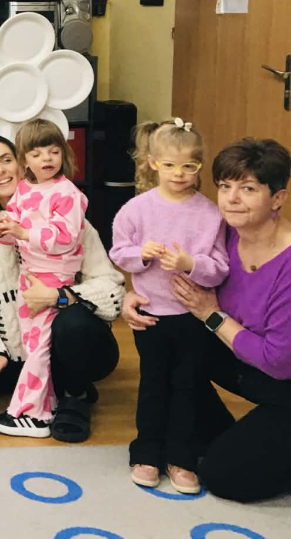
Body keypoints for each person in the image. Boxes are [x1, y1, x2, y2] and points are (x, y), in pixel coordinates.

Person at [124, 138, 291, 503]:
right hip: (243, 361)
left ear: (277, 198)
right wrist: (136, 294)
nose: (232, 199)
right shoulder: (223, 231)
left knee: (224, 476)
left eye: (248, 189)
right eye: (225, 186)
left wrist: (212, 316)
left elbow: (278, 362)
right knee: (175, 360)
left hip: (282, 379)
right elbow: (166, 268)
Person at [0, 136, 122, 443]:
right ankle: (44, 396)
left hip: (74, 344)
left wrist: (60, 296)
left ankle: (74, 396)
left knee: (71, 322)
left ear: (23, 165)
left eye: (6, 160)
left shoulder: (68, 218)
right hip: (16, 355)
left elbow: (112, 290)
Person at [109, 119, 227, 492]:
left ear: (199, 165)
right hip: (150, 315)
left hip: (192, 317)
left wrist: (191, 264)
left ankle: (182, 457)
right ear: (153, 163)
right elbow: (118, 252)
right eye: (170, 165)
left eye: (189, 165)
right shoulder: (136, 209)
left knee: (187, 385)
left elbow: (220, 268)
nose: (179, 173)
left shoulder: (210, 214)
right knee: (153, 384)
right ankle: (147, 452)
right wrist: (140, 255)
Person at [0, 118, 88, 437]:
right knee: (33, 344)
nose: (47, 158)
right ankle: (46, 405)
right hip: (29, 275)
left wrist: (21, 232)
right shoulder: (24, 189)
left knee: (40, 346)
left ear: (64, 154)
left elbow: (65, 237)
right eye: (37, 153)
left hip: (54, 278)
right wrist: (4, 231)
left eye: (54, 151)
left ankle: (31, 413)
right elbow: (14, 224)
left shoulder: (67, 192)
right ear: (25, 160)